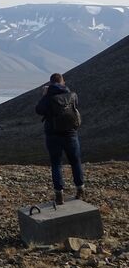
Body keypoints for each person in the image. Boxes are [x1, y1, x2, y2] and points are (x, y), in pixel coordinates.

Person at [35, 73, 84, 205]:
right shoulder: (72, 95)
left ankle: (59, 194)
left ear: (50, 83)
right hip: (71, 133)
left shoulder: (49, 97)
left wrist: (45, 95)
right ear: (63, 82)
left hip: (53, 135)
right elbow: (75, 107)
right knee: (75, 161)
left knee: (56, 164)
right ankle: (80, 189)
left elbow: (39, 110)